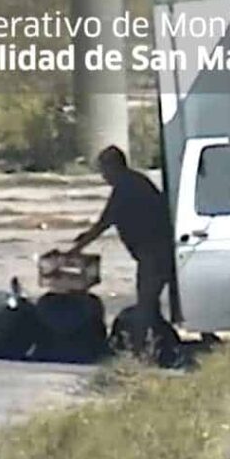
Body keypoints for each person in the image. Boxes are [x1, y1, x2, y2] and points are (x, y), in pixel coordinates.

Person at [70, 145, 174, 358]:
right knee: (151, 305)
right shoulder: (135, 181)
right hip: (156, 251)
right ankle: (160, 346)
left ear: (114, 166)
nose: (103, 176)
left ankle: (138, 355)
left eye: (104, 170)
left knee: (145, 305)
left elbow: (104, 223)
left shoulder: (126, 186)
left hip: (153, 253)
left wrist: (76, 249)